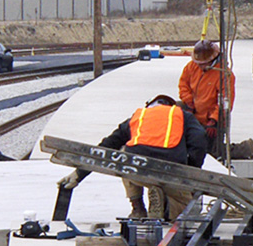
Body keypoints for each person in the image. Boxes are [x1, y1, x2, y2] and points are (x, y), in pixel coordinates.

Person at [58, 94, 208, 220]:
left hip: (138, 169)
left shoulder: (138, 117)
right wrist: (192, 171)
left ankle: (138, 208)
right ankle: (164, 203)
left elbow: (106, 148)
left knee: (123, 154)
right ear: (173, 106)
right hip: (173, 171)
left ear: (149, 105)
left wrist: (78, 174)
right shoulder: (182, 115)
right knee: (180, 212)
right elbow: (199, 139)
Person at [178, 39, 237, 157]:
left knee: (213, 152)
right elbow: (183, 85)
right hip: (194, 113)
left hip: (211, 119)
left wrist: (214, 120)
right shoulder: (192, 67)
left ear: (213, 60)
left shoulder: (224, 75)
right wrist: (189, 102)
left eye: (203, 63)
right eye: (198, 63)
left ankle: (246, 148)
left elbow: (226, 101)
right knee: (177, 107)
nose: (200, 66)